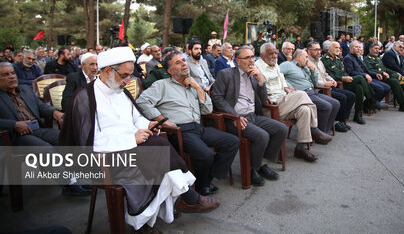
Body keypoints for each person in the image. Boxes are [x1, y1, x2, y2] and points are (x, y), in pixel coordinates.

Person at [59, 47, 220, 234]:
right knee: (157, 152)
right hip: (102, 157)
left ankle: (157, 215)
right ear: (109, 71)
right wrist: (131, 139)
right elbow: (89, 141)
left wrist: (149, 123)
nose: (128, 80)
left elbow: (136, 118)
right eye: (125, 75)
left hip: (131, 146)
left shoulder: (120, 90)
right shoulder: (85, 98)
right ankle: (175, 204)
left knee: (158, 149)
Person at [137, 51, 238, 196]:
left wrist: (197, 87)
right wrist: (162, 120)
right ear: (170, 71)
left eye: (184, 61)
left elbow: (207, 109)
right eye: (178, 62)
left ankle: (208, 179)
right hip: (179, 130)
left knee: (232, 141)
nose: (184, 63)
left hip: (198, 127)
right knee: (206, 154)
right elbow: (142, 101)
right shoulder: (162, 85)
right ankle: (202, 186)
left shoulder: (192, 85)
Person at [0, 62, 89, 196]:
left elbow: (41, 107)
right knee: (45, 149)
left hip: (37, 129)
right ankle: (68, 185)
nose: (12, 77)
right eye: (5, 75)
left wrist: (55, 113)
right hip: (17, 136)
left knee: (65, 138)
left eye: (12, 73)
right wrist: (14, 125)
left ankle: (76, 178)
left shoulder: (25, 89)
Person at [211, 46, 287, 186]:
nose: (251, 61)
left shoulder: (254, 75)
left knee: (281, 129)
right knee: (262, 136)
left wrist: (260, 80)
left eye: (253, 57)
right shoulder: (225, 74)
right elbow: (217, 98)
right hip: (234, 119)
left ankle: (261, 163)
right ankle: (252, 169)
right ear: (237, 61)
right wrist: (235, 116)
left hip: (253, 116)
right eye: (247, 58)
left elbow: (263, 100)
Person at [256, 43, 321, 162]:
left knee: (305, 110)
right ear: (261, 55)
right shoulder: (257, 68)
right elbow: (259, 92)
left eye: (276, 53)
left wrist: (286, 88)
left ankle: (301, 148)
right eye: (271, 53)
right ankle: (314, 128)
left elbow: (282, 79)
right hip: (271, 106)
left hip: (284, 100)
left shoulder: (274, 64)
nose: (275, 56)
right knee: (302, 93)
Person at [280, 49, 340, 138]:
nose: (308, 59)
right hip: (302, 94)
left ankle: (325, 130)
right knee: (326, 106)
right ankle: (317, 134)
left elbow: (315, 83)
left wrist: (312, 70)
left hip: (313, 92)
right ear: (299, 57)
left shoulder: (305, 68)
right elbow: (278, 74)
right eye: (306, 57)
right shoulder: (287, 65)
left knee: (335, 103)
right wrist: (287, 85)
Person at [321, 42, 382, 125]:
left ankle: (357, 114)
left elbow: (342, 72)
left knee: (359, 88)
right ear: (330, 48)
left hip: (345, 81)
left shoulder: (337, 59)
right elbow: (329, 75)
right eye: (336, 47)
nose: (338, 49)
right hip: (338, 83)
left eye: (339, 48)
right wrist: (343, 78)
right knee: (360, 78)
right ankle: (371, 99)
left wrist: (346, 76)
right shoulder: (325, 59)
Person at [307, 42, 355, 132]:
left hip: (328, 86)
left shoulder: (319, 61)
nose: (319, 52)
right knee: (342, 98)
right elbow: (312, 80)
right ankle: (337, 122)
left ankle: (342, 120)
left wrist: (332, 80)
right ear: (309, 51)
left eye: (319, 49)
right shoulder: (307, 62)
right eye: (316, 50)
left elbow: (325, 74)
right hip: (320, 89)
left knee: (351, 95)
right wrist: (325, 84)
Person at [364, 44, 404, 113]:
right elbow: (369, 70)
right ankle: (402, 104)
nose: (377, 51)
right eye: (375, 49)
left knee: (402, 80)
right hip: (377, 78)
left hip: (385, 77)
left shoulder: (378, 59)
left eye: (378, 49)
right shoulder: (367, 59)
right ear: (370, 49)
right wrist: (382, 73)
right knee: (395, 82)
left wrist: (395, 73)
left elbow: (385, 69)